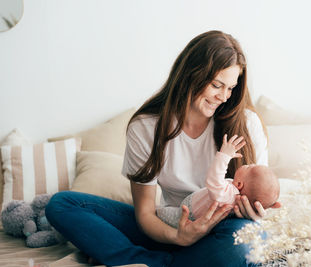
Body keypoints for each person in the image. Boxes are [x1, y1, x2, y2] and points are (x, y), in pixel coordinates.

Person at [46, 30, 277, 267]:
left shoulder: (246, 123)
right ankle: (155, 261)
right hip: (169, 227)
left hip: (221, 230)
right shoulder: (146, 127)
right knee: (62, 205)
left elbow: (257, 188)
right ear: (191, 75)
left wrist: (256, 215)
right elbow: (145, 214)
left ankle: (150, 261)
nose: (224, 97)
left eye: (231, 88)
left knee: (250, 242)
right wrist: (179, 236)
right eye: (217, 85)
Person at [157, 134, 280, 228]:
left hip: (187, 215)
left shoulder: (228, 195)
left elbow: (214, 180)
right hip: (189, 209)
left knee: (159, 214)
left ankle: (156, 214)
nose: (249, 163)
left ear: (239, 184)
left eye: (249, 167)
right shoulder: (232, 193)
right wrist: (268, 204)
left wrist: (224, 156)